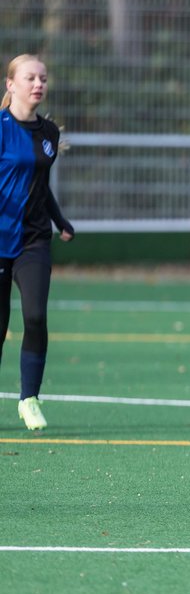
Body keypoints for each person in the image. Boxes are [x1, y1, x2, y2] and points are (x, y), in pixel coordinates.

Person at [0, 54, 76, 431]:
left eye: (43, 78)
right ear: (10, 84)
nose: (38, 84)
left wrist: (60, 221)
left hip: (33, 239)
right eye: (30, 78)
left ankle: (29, 399)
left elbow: (39, 187)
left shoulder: (48, 133)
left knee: (34, 316)